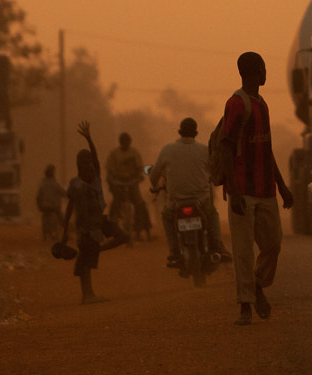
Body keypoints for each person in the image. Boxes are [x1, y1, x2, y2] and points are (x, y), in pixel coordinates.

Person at [220, 52, 293, 326]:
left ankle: (258, 284)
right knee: (242, 251)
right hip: (243, 191)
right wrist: (234, 191)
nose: (266, 72)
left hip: (266, 191)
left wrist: (283, 187)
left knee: (273, 244)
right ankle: (245, 307)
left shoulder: (262, 105)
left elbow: (267, 149)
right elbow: (226, 148)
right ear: (256, 71)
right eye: (263, 68)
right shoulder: (237, 104)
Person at [149, 117, 231, 266]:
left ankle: (174, 252)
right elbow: (214, 173)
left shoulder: (167, 150)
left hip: (175, 202)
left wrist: (155, 185)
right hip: (201, 201)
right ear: (196, 133)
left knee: (166, 217)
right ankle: (218, 246)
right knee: (212, 214)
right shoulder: (204, 150)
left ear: (180, 132)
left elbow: (154, 177)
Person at [61, 121, 124, 304]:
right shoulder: (76, 184)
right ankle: (87, 295)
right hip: (86, 227)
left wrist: (89, 138)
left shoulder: (95, 178)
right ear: (80, 168)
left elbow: (96, 158)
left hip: (99, 221)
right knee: (85, 262)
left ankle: (89, 294)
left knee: (122, 236)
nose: (91, 168)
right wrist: (65, 231)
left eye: (91, 165)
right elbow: (69, 208)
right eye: (86, 166)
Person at [106, 132, 152, 242]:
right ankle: (111, 231)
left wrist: (139, 177)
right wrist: (112, 180)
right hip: (119, 183)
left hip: (132, 182)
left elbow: (139, 168)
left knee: (140, 204)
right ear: (121, 142)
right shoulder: (114, 154)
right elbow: (110, 171)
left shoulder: (134, 153)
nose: (126, 144)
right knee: (115, 206)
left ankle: (141, 231)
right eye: (124, 142)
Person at [36, 164, 67, 241]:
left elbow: (38, 197)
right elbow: (63, 193)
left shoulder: (42, 184)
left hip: (44, 207)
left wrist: (39, 206)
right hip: (54, 207)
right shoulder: (55, 184)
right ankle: (66, 234)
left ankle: (45, 235)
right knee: (62, 219)